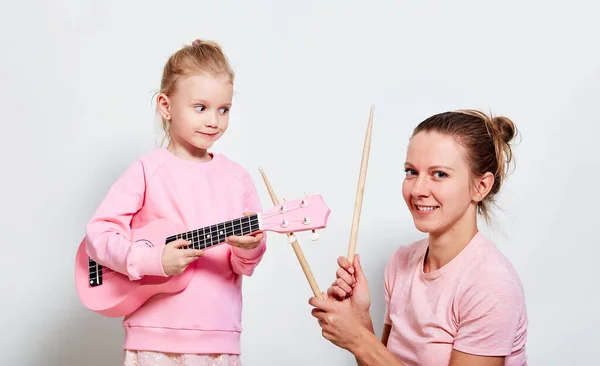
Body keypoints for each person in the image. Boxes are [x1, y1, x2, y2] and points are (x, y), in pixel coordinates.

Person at [85, 39, 267, 366]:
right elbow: (98, 235)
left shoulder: (237, 179)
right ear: (166, 106)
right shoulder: (147, 170)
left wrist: (249, 247)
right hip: (151, 338)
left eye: (223, 109)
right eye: (201, 107)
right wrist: (153, 260)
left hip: (218, 339)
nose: (214, 120)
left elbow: (245, 265)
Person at [309, 110, 528, 365]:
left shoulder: (490, 284)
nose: (418, 190)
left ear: (481, 186)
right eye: (411, 172)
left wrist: (359, 339)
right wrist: (361, 321)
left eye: (439, 174)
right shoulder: (402, 262)